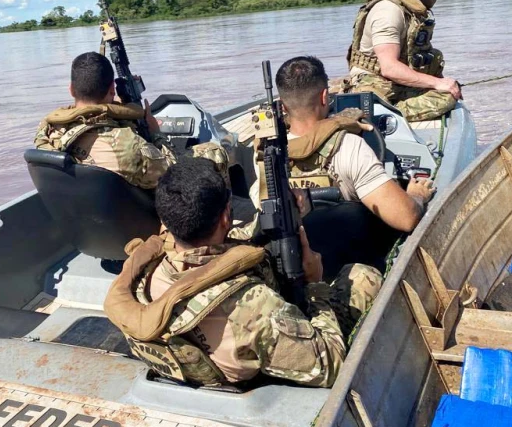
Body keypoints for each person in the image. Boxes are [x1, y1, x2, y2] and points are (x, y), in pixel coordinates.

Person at [104, 157, 382, 388]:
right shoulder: (255, 307)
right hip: (267, 373)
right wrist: (314, 284)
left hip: (211, 365)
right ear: (227, 216)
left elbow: (227, 246)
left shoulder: (143, 272)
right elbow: (332, 364)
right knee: (362, 276)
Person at [275, 56, 435, 233]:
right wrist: (417, 195)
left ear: (283, 106)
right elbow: (407, 218)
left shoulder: (267, 154)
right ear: (324, 97)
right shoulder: (349, 146)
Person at [34, 52, 229, 189]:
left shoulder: (48, 130)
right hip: (137, 217)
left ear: (71, 89)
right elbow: (172, 172)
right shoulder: (129, 146)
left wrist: (123, 108)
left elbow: (92, 116)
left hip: (88, 216)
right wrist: (156, 133)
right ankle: (221, 223)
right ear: (112, 90)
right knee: (215, 152)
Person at [336, 0, 461, 122]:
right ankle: (381, 113)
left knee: (447, 85)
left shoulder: (405, 5)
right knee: (447, 96)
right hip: (376, 85)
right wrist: (437, 83)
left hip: (391, 82)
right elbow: (389, 67)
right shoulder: (389, 11)